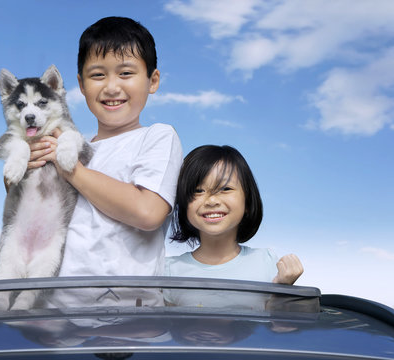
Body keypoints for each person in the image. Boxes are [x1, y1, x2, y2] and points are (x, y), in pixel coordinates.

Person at [27, 16, 183, 309]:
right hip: (58, 316)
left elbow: (147, 211)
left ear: (153, 81)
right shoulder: (67, 147)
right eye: (98, 75)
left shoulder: (158, 136)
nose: (112, 87)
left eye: (126, 73)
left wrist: (71, 169)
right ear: (81, 85)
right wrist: (20, 177)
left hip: (130, 320)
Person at [164, 145, 303, 307]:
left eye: (225, 189)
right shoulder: (170, 271)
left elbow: (277, 327)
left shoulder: (267, 262)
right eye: (198, 190)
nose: (211, 201)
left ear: (248, 201)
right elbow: (167, 329)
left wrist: (284, 287)